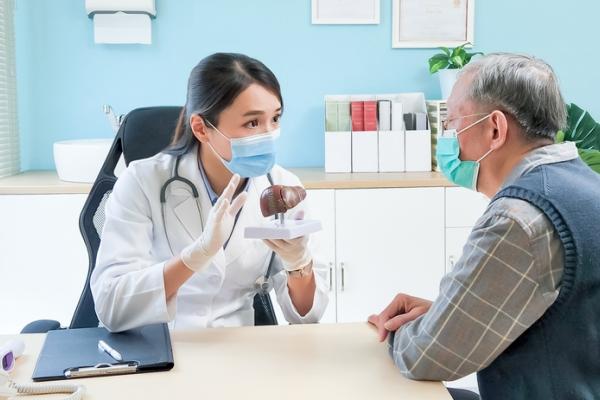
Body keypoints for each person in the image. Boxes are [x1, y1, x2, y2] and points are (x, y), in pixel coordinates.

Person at [369, 53, 600, 400]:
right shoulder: (586, 185)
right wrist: (445, 314)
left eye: (452, 125)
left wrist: (409, 331)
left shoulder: (519, 218)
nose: (449, 141)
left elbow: (427, 357)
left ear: (495, 128)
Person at [91, 53, 328, 332]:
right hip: (161, 344)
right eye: (252, 123)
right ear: (202, 128)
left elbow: (306, 317)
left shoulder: (281, 184)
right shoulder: (143, 181)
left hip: (239, 348)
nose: (269, 134)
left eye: (275, 119)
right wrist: (195, 256)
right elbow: (111, 306)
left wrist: (298, 263)